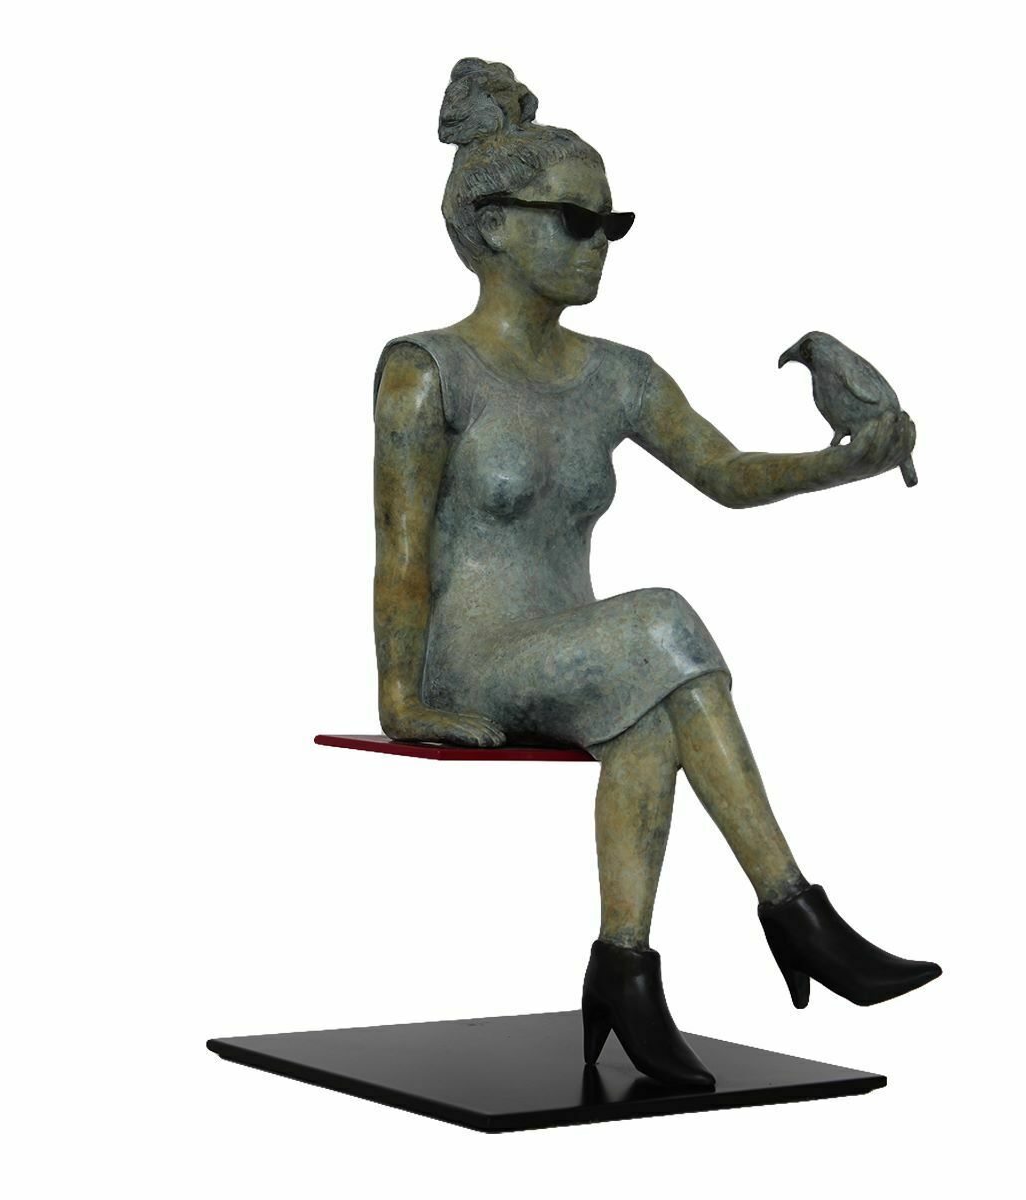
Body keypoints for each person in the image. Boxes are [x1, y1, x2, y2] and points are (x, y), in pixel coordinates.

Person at [372, 58, 939, 1091]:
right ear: (493, 225)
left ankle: (624, 970)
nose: (598, 244)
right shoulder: (427, 369)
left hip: (577, 655)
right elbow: (400, 551)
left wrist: (843, 464)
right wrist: (402, 699)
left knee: (653, 709)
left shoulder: (617, 375)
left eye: (612, 225)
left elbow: (726, 474)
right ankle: (795, 914)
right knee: (661, 622)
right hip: (473, 664)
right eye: (575, 221)